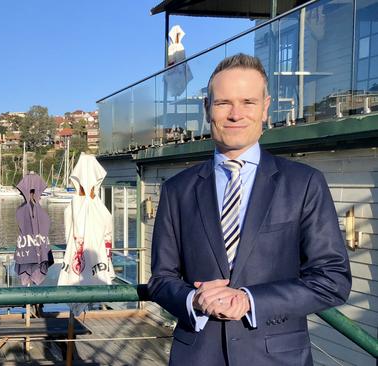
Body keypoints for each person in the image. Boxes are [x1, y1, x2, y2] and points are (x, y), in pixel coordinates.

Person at [147, 53, 351, 366]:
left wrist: (249, 301)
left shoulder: (304, 183)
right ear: (207, 109)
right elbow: (161, 280)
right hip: (197, 356)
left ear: (266, 108)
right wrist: (194, 299)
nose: (235, 114)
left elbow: (332, 279)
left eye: (248, 102)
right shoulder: (177, 190)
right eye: (223, 103)